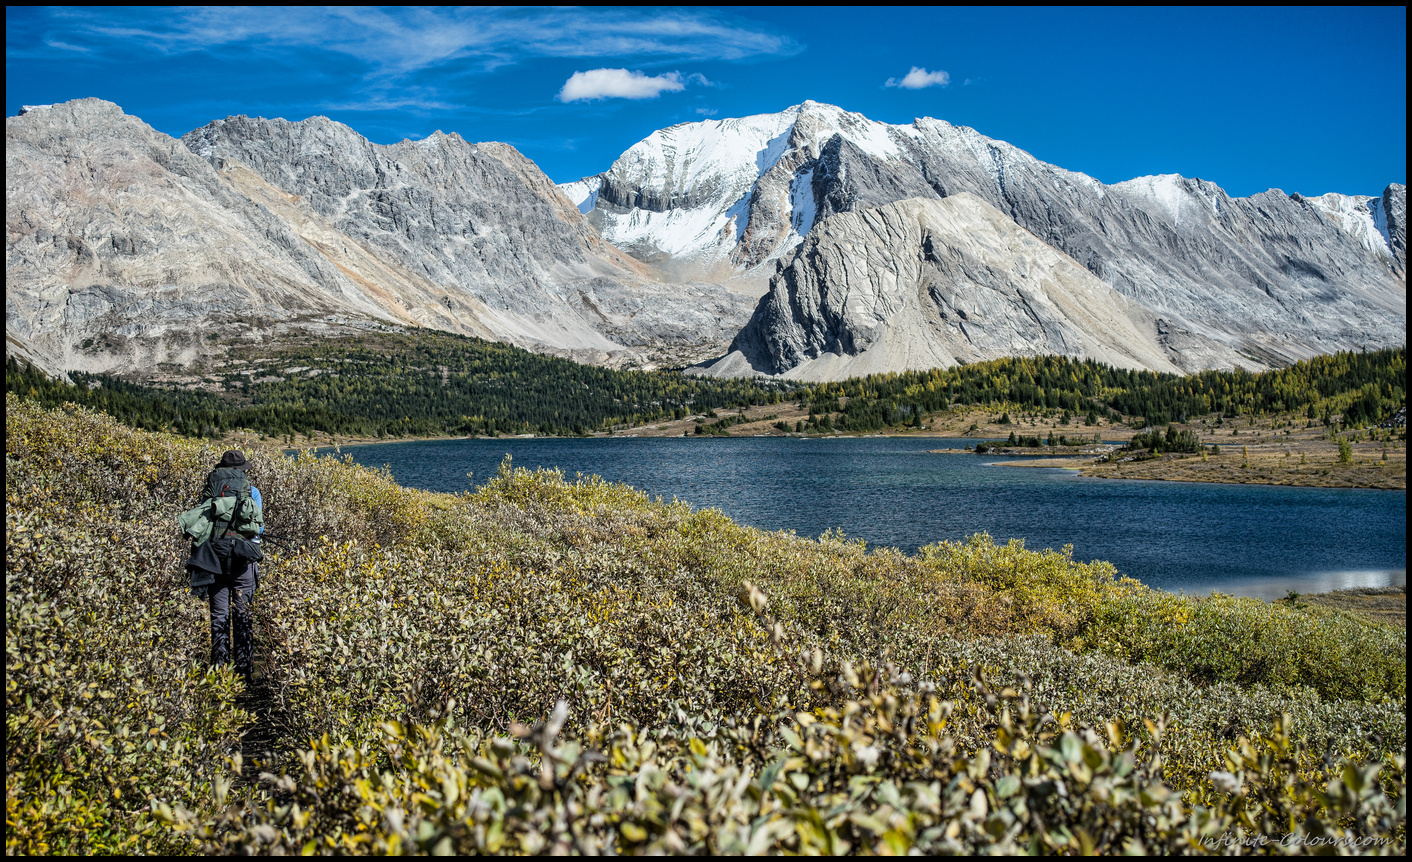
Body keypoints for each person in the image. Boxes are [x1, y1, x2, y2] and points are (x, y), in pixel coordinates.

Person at [202, 449, 263, 681]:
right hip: (243, 562)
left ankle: (218, 673)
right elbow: (260, 528)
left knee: (218, 616)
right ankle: (244, 673)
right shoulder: (252, 491)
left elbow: (202, 524)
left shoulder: (211, 491)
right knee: (242, 615)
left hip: (215, 561)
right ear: (242, 471)